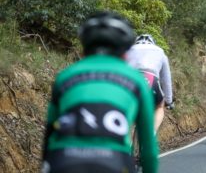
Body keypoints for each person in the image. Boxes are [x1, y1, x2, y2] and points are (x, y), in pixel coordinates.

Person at [42, 11, 158, 173]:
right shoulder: (136, 81)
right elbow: (148, 149)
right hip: (114, 161)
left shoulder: (65, 76)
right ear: (125, 54)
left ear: (84, 49)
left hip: (63, 161)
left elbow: (49, 136)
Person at [126, 33, 174, 133]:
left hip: (131, 81)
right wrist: (169, 101)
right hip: (151, 80)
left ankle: (126, 140)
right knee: (159, 107)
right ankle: (151, 133)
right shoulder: (160, 51)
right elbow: (166, 79)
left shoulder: (129, 50)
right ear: (153, 43)